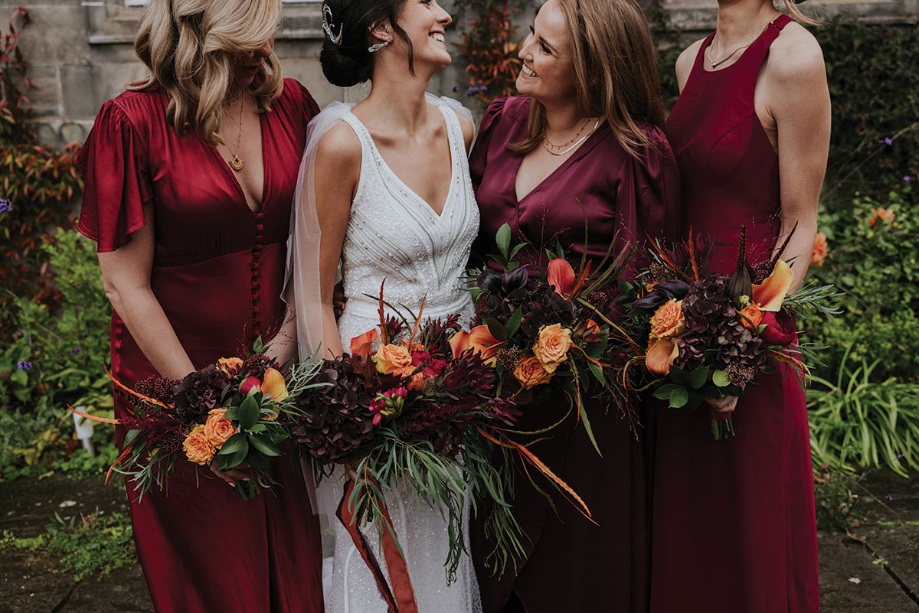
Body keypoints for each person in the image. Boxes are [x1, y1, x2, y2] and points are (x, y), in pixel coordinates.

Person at [74, 0, 324, 610]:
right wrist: (204, 415)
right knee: (219, 577)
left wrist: (288, 343)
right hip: (172, 376)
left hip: (277, 370)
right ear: (224, 29)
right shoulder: (132, 122)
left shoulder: (291, 104)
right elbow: (124, 284)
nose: (271, 38)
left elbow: (317, 242)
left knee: (299, 561)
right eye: (261, 21)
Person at [467, 0, 681, 610]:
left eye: (545, 48)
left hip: (589, 404)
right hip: (496, 390)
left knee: (576, 575)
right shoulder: (502, 122)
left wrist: (570, 338)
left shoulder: (637, 153)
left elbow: (648, 287)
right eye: (530, 34)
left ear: (591, 71)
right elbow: (470, 248)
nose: (523, 52)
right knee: (490, 559)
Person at [284, 0, 481, 610]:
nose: (444, 13)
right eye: (426, 3)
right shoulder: (343, 147)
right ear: (379, 28)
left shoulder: (461, 126)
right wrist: (347, 418)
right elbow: (315, 295)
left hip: (462, 381)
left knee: (450, 553)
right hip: (375, 390)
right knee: (385, 561)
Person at [649, 0, 830, 609]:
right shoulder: (687, 61)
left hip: (748, 332)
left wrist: (744, 340)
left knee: (753, 527)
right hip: (681, 329)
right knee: (692, 530)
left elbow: (800, 227)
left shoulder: (794, 56)